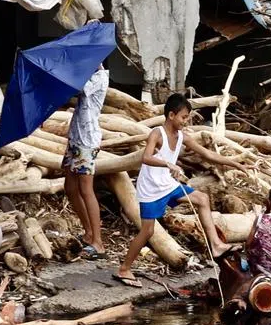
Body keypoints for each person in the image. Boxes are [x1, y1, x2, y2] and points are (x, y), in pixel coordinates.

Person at [116, 93, 235, 287]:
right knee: (147, 231)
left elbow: (206, 153)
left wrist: (236, 163)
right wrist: (168, 165)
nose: (186, 121)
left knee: (202, 199)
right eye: (184, 117)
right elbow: (146, 157)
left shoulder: (182, 136)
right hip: (151, 188)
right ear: (171, 115)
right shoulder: (157, 133)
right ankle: (124, 269)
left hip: (168, 185)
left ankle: (216, 245)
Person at [63, 64, 109, 259]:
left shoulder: (99, 77)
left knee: (85, 188)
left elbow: (78, 88)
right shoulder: (89, 73)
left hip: (87, 141)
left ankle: (98, 243)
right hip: (76, 136)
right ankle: (88, 232)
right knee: (70, 186)